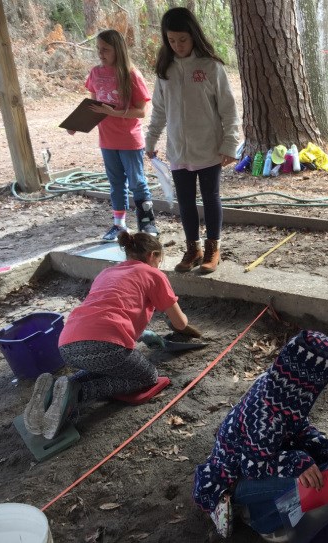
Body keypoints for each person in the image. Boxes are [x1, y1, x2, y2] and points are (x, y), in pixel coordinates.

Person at [22, 231, 200, 440]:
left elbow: (108, 310)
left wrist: (141, 333)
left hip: (68, 344)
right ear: (153, 255)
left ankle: (56, 389)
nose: (159, 265)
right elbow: (180, 323)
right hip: (105, 345)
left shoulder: (106, 273)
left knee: (106, 367)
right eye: (159, 260)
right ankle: (77, 394)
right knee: (148, 376)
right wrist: (181, 325)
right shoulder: (153, 274)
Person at [193, 330, 328, 540]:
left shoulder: (284, 389)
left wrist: (322, 445)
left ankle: (286, 504)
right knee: (303, 485)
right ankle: (258, 517)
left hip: (267, 453)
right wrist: (296, 462)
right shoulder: (266, 417)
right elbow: (252, 467)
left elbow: (299, 427)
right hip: (238, 477)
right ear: (310, 384)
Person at [146, 7, 240, 274]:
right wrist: (151, 139)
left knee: (210, 197)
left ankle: (213, 248)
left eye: (182, 40)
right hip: (178, 150)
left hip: (208, 147)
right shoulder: (166, 69)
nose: (177, 45)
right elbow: (160, 110)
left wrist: (230, 144)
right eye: (172, 40)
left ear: (194, 36)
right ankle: (193, 248)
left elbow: (228, 109)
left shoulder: (211, 66)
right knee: (185, 201)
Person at [73, 29, 158, 241]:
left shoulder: (131, 75)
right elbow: (92, 106)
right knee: (116, 183)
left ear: (117, 50)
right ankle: (119, 225)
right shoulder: (95, 73)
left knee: (137, 182)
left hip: (129, 139)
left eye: (105, 49)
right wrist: (77, 124)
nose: (100, 53)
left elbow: (142, 111)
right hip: (107, 139)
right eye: (98, 49)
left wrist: (115, 113)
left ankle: (147, 224)